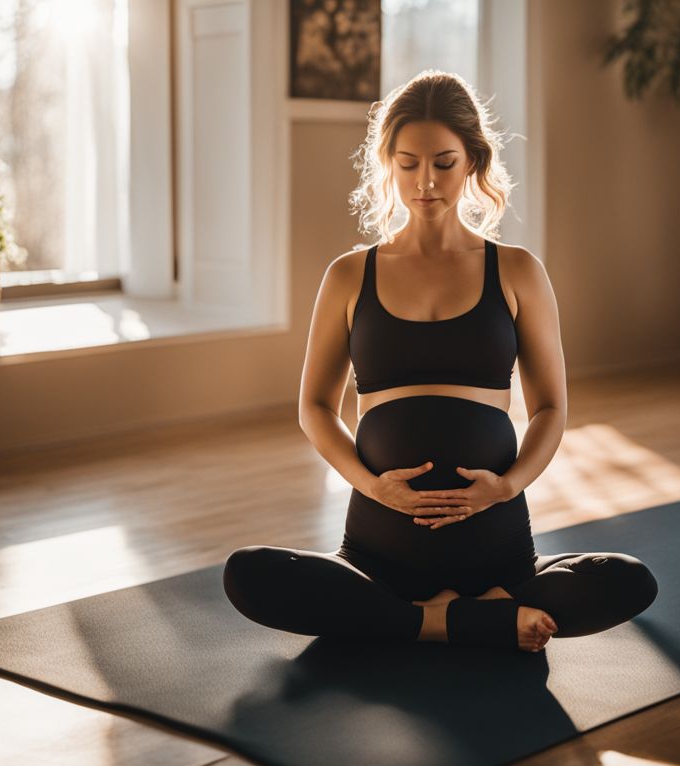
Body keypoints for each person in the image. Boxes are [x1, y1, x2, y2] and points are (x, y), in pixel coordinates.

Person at [223, 70, 657, 653]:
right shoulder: (350, 274)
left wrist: (505, 487)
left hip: (497, 551)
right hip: (379, 554)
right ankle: (460, 622)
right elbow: (315, 407)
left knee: (629, 579)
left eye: (444, 163)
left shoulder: (518, 270)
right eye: (408, 163)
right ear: (388, 164)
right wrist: (375, 489)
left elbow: (552, 406)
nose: (425, 181)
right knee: (248, 573)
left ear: (474, 161)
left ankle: (420, 618)